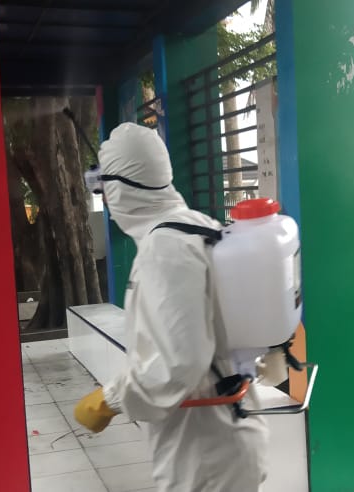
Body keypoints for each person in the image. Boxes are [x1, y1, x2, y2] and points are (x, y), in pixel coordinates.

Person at [73, 123, 267, 491]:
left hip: (205, 450)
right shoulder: (196, 225)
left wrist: (109, 400)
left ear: (118, 188)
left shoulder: (165, 249)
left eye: (102, 187)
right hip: (225, 429)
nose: (105, 199)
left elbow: (178, 364)